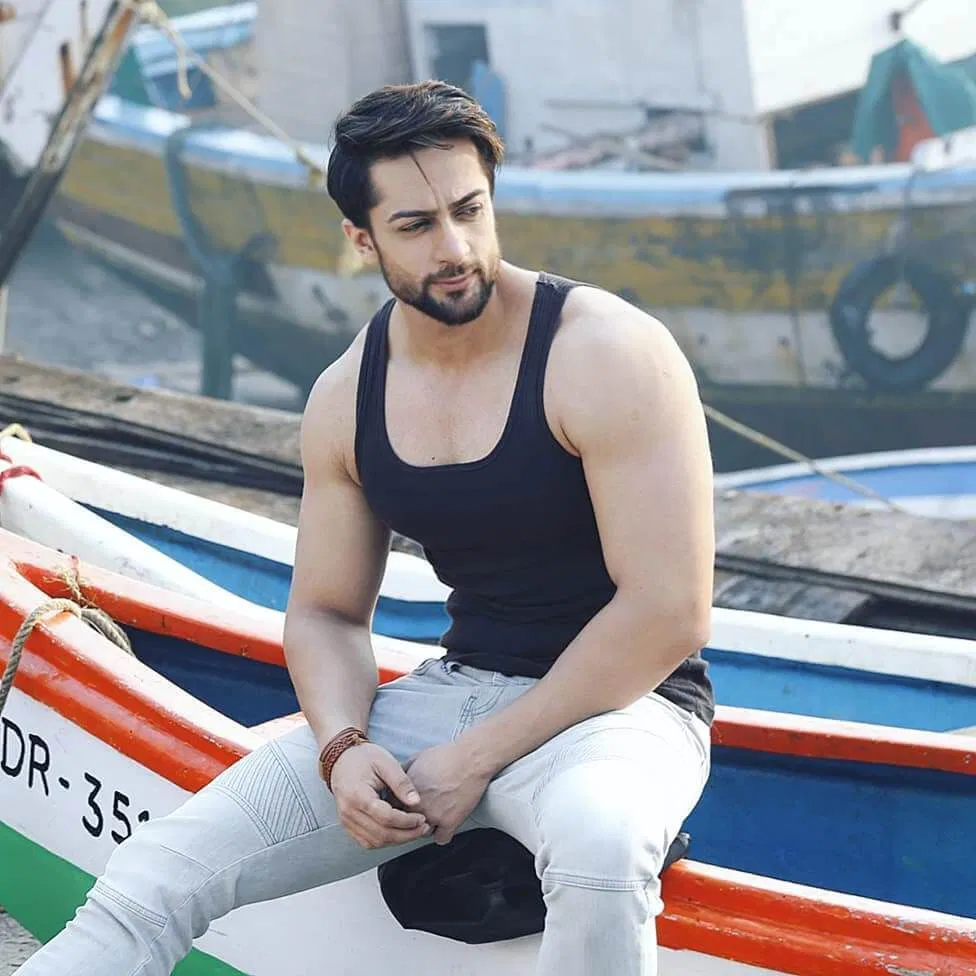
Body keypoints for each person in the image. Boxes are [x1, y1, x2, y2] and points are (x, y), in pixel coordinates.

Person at [15, 80, 715, 976]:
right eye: (416, 225)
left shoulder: (606, 352)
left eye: (470, 210)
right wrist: (344, 747)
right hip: (455, 697)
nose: (454, 247)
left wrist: (476, 759)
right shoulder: (347, 394)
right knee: (158, 869)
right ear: (361, 239)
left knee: (602, 852)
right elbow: (327, 614)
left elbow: (667, 611)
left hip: (625, 707)